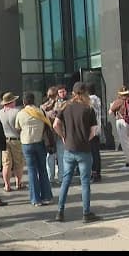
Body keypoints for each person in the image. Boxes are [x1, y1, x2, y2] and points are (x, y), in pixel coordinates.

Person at [54, 82, 102, 223]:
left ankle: (60, 212)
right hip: (84, 149)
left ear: (73, 93)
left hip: (69, 148)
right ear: (85, 93)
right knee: (85, 182)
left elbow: (55, 124)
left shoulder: (65, 106)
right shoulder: (89, 108)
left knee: (66, 180)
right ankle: (86, 213)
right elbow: (94, 130)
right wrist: (87, 138)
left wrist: (63, 136)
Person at [15, 92, 53, 207]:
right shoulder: (40, 111)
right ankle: (46, 196)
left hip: (27, 144)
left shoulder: (21, 113)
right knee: (42, 170)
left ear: (24, 102)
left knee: (32, 171)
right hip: (40, 142)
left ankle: (35, 199)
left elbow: (17, 128)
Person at [109, 86, 129, 171]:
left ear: (119, 94)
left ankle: (128, 164)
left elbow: (110, 111)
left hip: (122, 122)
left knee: (125, 143)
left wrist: (112, 105)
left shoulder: (118, 101)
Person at [86, 82, 102, 182]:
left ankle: (94, 172)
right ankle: (97, 172)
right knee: (96, 151)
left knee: (92, 152)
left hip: (91, 129)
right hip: (97, 128)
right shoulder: (97, 98)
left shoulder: (90, 100)